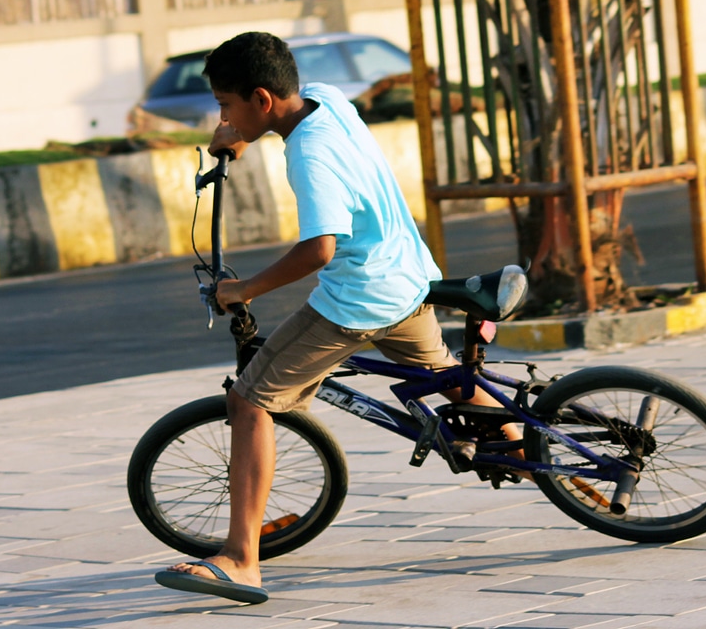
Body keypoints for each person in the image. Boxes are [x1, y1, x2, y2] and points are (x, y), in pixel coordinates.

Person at [155, 31, 526, 604]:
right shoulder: (327, 99)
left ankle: (240, 560)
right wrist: (239, 140)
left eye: (226, 104)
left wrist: (243, 289)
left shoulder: (309, 156)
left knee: (250, 401)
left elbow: (320, 250)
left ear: (261, 98)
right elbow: (280, 125)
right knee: (450, 380)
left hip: (360, 300)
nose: (221, 116)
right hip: (408, 278)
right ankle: (541, 456)